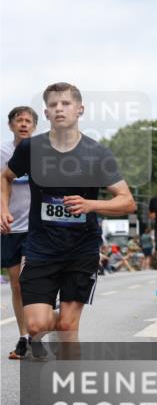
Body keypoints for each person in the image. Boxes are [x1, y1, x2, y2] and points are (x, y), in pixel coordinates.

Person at [0, 83, 136, 357]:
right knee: (36, 326)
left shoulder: (96, 153)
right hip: (40, 248)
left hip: (81, 248)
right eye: (53, 105)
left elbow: (127, 200)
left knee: (67, 325)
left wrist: (90, 204)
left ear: (80, 109)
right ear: (47, 113)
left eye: (66, 104)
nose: (59, 109)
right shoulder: (31, 148)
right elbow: (5, 177)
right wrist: (3, 207)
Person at [2, 105, 38, 359]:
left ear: (34, 126)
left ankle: (36, 331)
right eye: (19, 120)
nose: (23, 124)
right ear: (11, 124)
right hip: (10, 226)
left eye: (28, 121)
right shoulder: (2, 151)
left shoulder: (42, 153)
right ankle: (24, 336)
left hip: (36, 228)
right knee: (16, 285)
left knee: (28, 281)